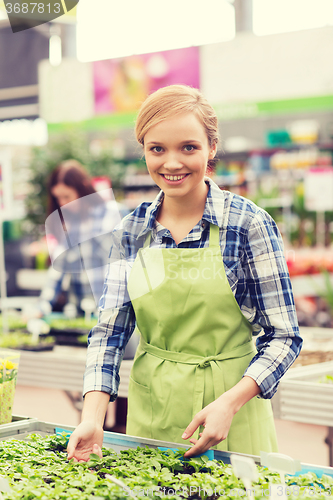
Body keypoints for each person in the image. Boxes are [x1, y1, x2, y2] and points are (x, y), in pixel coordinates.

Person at [67, 85, 302, 461]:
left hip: (233, 418)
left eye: (188, 147)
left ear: (211, 147)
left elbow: (284, 337)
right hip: (152, 415)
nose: (171, 163)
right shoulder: (131, 231)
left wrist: (231, 402)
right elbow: (109, 333)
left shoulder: (247, 225)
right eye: (157, 149)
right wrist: (93, 416)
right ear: (144, 150)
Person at [36, 159, 127, 317]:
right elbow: (58, 268)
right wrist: (42, 306)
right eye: (58, 198)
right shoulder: (70, 224)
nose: (63, 203)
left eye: (67, 196)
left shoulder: (114, 214)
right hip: (82, 314)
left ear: (82, 189)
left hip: (115, 313)